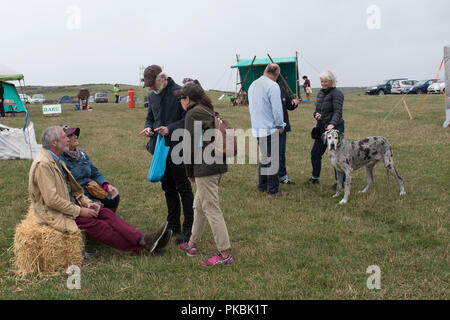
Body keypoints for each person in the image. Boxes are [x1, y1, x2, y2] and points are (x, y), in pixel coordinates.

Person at [29, 126, 171, 255]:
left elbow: (74, 190)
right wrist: (80, 211)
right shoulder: (44, 164)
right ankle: (141, 246)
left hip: (70, 206)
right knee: (98, 225)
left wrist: (87, 202)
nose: (68, 139)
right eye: (64, 137)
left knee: (105, 213)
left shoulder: (56, 158)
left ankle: (143, 239)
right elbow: (52, 201)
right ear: (54, 143)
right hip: (56, 213)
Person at [177, 83, 233, 266]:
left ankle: (225, 254)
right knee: (199, 206)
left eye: (181, 98)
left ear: (188, 99)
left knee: (210, 208)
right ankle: (192, 243)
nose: (180, 101)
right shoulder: (208, 110)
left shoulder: (192, 114)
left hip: (205, 168)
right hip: (217, 165)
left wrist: (189, 172)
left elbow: (189, 146)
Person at [140, 65, 194, 244]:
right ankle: (173, 225)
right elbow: (151, 117)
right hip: (160, 149)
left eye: (153, 84)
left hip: (178, 147)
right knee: (168, 187)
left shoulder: (179, 92)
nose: (151, 88)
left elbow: (187, 119)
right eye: (148, 85)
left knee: (183, 187)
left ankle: (188, 228)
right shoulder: (153, 96)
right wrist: (149, 127)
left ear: (162, 78)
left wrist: (169, 128)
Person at [248, 63, 288, 197]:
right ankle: (273, 190)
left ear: (265, 71)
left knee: (265, 158)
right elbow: (277, 109)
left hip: (258, 127)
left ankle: (262, 185)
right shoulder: (273, 86)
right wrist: (280, 125)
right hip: (270, 128)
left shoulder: (253, 85)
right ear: (277, 75)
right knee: (273, 160)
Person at [60, 124, 120, 212]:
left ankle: (109, 217)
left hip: (92, 189)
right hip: (78, 195)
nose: (76, 136)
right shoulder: (60, 160)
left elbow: (94, 172)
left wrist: (106, 185)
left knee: (114, 197)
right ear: (63, 141)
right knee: (97, 210)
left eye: (75, 134)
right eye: (71, 135)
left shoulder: (82, 154)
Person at [306, 70, 345, 189]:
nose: (323, 83)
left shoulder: (337, 93)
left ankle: (340, 183)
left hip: (335, 128)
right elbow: (317, 110)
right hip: (322, 128)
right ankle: (315, 178)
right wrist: (316, 114)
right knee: (315, 154)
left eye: (325, 81)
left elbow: (338, 111)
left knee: (335, 156)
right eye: (321, 81)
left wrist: (332, 124)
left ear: (331, 81)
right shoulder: (320, 93)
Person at [277, 78, 299, 185]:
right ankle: (270, 179)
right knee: (270, 154)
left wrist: (294, 103)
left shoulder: (282, 87)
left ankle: (282, 177)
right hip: (269, 127)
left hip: (282, 127)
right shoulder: (266, 88)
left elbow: (289, 105)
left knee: (281, 152)